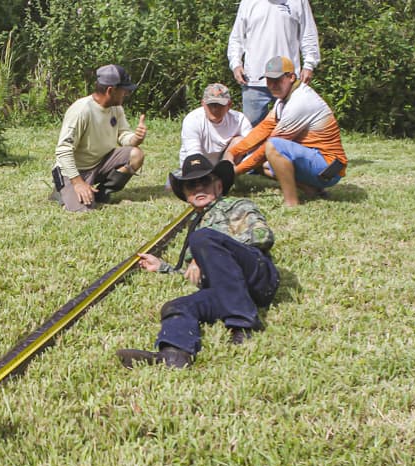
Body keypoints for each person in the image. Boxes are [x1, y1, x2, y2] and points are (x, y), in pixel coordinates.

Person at [117, 153, 279, 369]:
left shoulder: (235, 206)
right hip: (226, 290)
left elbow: (263, 236)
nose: (198, 188)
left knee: (202, 238)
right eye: (191, 185)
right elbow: (192, 272)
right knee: (176, 306)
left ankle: (244, 326)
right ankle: (173, 354)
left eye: (205, 181)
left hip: (257, 277)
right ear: (185, 193)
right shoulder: (197, 224)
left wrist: (211, 249)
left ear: (219, 186)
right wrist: (162, 267)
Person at [227, 56, 348, 207]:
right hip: (316, 161)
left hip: (328, 169)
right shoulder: (284, 98)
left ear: (291, 77)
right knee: (264, 163)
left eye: (277, 79)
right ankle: (311, 188)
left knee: (273, 147)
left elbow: (268, 148)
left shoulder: (300, 102)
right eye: (268, 80)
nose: (272, 85)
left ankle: (292, 202)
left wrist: (235, 172)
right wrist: (233, 152)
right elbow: (263, 128)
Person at [51, 64, 147, 212]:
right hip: (74, 171)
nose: (126, 94)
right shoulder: (81, 111)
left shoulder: (116, 108)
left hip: (100, 163)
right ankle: (62, 191)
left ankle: (103, 193)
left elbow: (123, 135)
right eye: (124, 90)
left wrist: (136, 138)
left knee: (136, 154)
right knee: (84, 210)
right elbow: (63, 150)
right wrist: (78, 183)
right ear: (111, 90)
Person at [227, 0, 321, 126]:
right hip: (254, 79)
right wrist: (235, 64)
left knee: (292, 128)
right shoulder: (248, 2)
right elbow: (237, 38)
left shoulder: (298, 2)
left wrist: (309, 64)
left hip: (287, 80)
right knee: (251, 130)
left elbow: (308, 34)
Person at [178, 83, 252, 165]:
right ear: (203, 104)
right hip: (196, 164)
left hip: (223, 164)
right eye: (211, 105)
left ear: (229, 105)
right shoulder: (192, 119)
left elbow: (253, 146)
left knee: (240, 141)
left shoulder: (239, 119)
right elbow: (193, 153)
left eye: (220, 105)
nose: (214, 109)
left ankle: (227, 171)